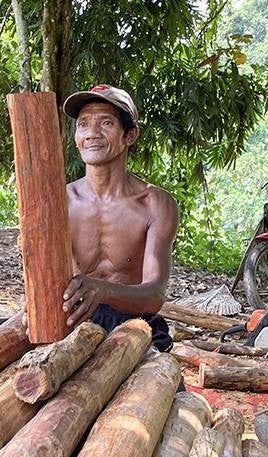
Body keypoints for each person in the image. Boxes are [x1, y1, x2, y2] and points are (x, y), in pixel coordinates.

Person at [60, 84, 180, 351]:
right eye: (83, 124)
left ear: (130, 135)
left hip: (132, 325)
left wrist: (104, 291)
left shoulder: (155, 204)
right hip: (73, 320)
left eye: (106, 123)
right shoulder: (60, 201)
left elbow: (154, 295)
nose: (92, 133)